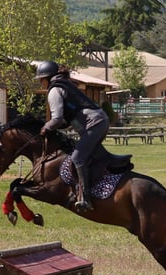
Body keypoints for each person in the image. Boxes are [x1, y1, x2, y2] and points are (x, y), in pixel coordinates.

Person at [34, 61, 110, 212]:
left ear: (47, 78)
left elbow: (57, 119)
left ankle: (85, 198)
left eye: (40, 79)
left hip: (94, 124)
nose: (40, 82)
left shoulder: (55, 90)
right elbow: (65, 120)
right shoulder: (65, 85)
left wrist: (44, 128)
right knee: (88, 155)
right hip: (99, 121)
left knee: (77, 158)